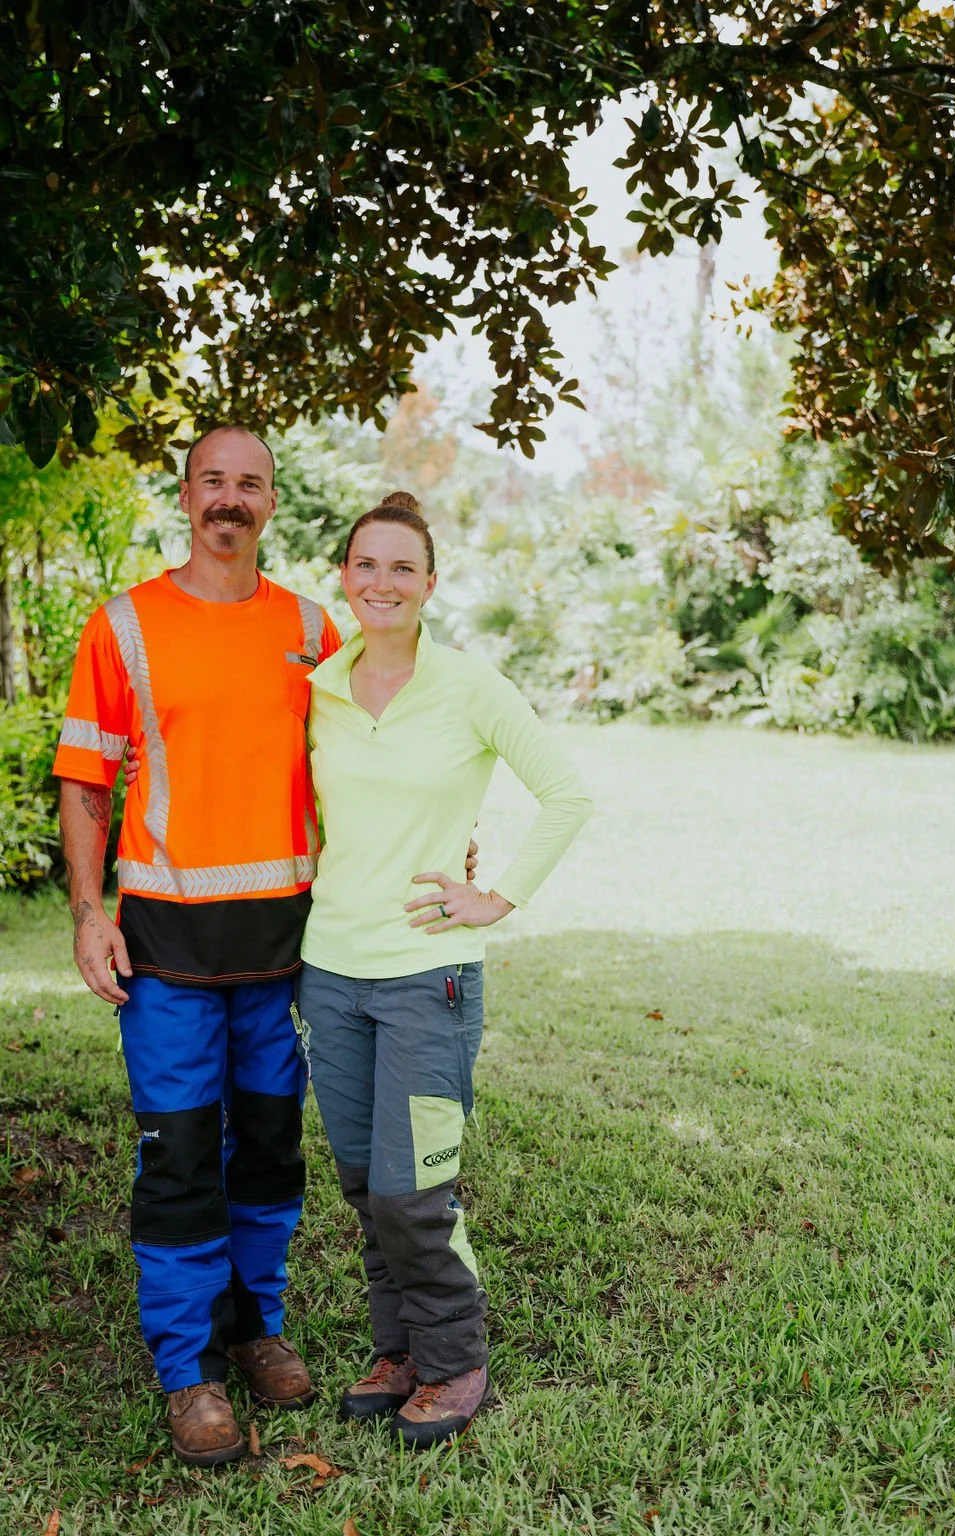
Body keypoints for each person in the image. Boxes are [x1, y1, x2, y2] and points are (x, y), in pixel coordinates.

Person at [54, 425, 341, 1467]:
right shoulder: (124, 624)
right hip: (164, 945)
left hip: (282, 945)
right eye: (213, 480)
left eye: (250, 484)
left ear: (272, 502)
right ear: (186, 496)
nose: (231, 498)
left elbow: (359, 768)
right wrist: (91, 914)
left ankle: (254, 1328)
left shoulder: (314, 630)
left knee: (267, 1148)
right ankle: (189, 1371)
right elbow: (86, 782)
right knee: (180, 1157)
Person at [296, 492, 592, 1450]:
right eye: (366, 566)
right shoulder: (321, 687)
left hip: (429, 974)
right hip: (329, 973)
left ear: (430, 584)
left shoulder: (470, 685)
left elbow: (566, 794)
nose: (381, 584)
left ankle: (456, 1357)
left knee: (414, 1190)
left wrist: (495, 895)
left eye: (402, 568)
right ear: (344, 575)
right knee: (360, 1183)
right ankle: (399, 1350)